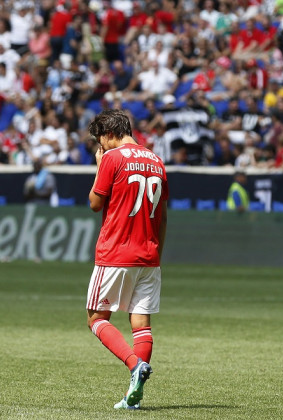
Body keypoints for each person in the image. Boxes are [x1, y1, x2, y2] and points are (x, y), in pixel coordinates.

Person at [86, 109, 169, 410]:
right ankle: (134, 394)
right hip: (149, 254)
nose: (101, 148)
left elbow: (95, 204)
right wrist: (157, 251)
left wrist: (99, 166)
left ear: (110, 133)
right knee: (141, 322)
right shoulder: (157, 161)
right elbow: (163, 216)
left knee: (96, 319)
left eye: (101, 141)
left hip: (116, 252)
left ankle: (135, 366)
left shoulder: (112, 158)